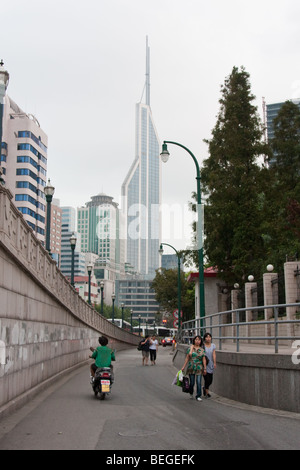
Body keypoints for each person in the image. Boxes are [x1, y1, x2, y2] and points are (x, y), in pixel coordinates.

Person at [181, 335, 206, 401]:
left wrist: (205, 368)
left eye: (199, 340)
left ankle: (198, 395)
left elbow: (204, 359)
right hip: (191, 366)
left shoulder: (202, 350)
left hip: (199, 367)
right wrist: (183, 366)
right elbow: (188, 357)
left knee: (199, 382)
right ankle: (191, 392)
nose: (197, 341)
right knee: (192, 382)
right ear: (194, 340)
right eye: (196, 339)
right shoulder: (190, 349)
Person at [203, 332, 216, 398]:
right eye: (207, 337)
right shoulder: (203, 346)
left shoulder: (213, 345)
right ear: (204, 338)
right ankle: (207, 392)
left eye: (209, 337)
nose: (208, 338)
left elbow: (214, 354)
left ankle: (204, 388)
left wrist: (214, 362)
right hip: (204, 364)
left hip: (210, 364)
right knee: (206, 379)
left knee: (210, 380)